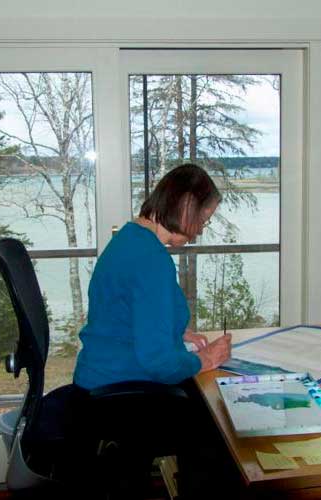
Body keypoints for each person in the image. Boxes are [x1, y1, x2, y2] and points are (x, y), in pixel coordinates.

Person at [71, 163, 241, 499]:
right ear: (185, 207)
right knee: (222, 428)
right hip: (123, 392)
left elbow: (124, 314)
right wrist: (205, 359)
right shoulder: (152, 260)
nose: (199, 231)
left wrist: (176, 332)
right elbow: (159, 363)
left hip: (101, 379)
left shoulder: (130, 240)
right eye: (202, 220)